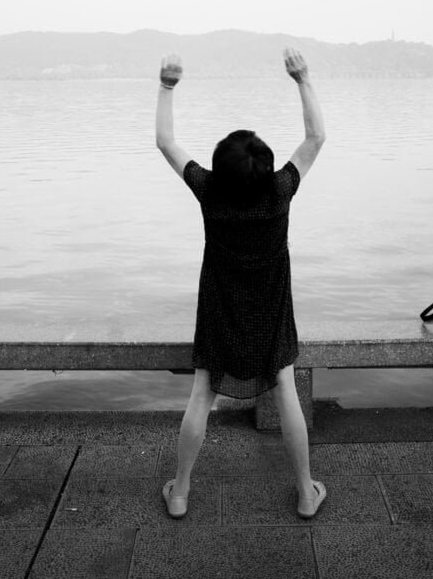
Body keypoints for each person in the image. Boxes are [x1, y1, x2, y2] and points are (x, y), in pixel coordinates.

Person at [155, 47, 327, 519]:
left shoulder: (209, 190)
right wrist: (302, 77)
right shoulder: (280, 190)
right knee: (286, 391)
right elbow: (316, 137)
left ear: (220, 168)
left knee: (201, 396)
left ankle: (181, 492)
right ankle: (305, 494)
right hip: (271, 313)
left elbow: (166, 143)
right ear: (266, 168)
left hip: (219, 311)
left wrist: (168, 86)